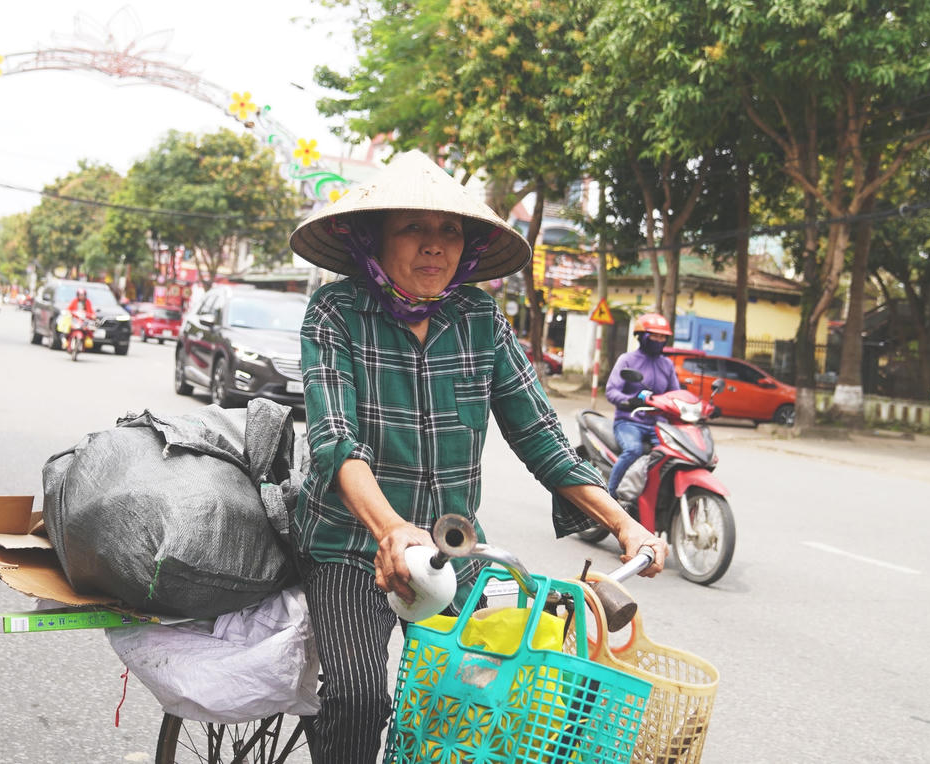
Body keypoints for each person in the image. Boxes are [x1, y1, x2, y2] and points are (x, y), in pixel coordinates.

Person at [287, 150, 667, 763]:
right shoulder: (336, 313)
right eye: (413, 227)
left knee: (491, 697)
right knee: (358, 699)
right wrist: (390, 529)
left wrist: (625, 524)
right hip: (353, 547)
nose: (434, 245)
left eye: (450, 231)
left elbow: (542, 438)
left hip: (453, 552)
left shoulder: (479, 318)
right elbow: (334, 439)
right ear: (374, 240)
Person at [603, 313, 682, 499]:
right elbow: (611, 391)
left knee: (674, 454)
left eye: (662, 337)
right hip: (629, 421)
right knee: (633, 450)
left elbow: (675, 395)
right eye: (654, 336)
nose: (659, 340)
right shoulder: (627, 360)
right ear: (642, 336)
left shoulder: (667, 365)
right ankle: (609, 497)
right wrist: (629, 401)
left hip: (658, 424)